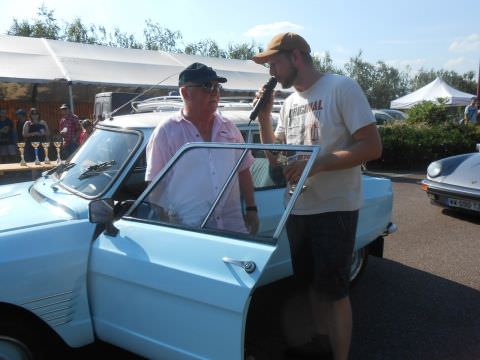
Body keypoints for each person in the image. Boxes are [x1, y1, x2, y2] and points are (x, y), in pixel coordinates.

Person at [252, 33, 382, 360]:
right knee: (309, 286)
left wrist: (318, 163)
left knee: (335, 292)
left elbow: (371, 146)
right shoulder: (290, 102)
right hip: (298, 208)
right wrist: (265, 116)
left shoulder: (341, 88)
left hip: (334, 209)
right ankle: (318, 344)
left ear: (296, 57)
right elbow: (274, 158)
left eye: (274, 64)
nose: (271, 73)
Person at [145, 62, 259, 234]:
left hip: (233, 227)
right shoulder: (166, 131)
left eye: (217, 87)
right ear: (185, 92)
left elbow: (243, 170)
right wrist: (166, 222)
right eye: (207, 86)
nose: (214, 93)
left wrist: (251, 208)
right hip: (192, 230)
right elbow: (155, 185)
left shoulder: (229, 128)